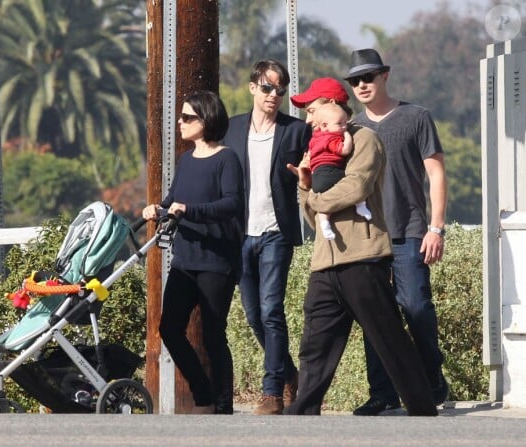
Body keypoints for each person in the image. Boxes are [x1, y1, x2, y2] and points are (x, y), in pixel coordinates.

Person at [283, 77, 437, 417]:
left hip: (363, 257)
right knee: (314, 347)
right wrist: (306, 187)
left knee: (389, 340)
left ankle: (423, 410)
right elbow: (311, 217)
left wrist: (316, 198)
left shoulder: (365, 139)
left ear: (332, 104)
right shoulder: (315, 147)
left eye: (311, 110)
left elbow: (356, 187)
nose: (308, 119)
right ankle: (301, 415)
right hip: (325, 262)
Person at [344, 48, 449, 416]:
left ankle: (432, 378)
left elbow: (436, 174)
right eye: (354, 80)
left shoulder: (416, 117)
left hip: (410, 231)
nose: (361, 85)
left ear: (384, 76)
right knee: (376, 315)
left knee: (416, 307)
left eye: (367, 77)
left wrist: (436, 229)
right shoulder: (352, 128)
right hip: (368, 237)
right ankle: (383, 391)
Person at [142, 90, 244, 415]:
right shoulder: (186, 160)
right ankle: (204, 393)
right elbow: (174, 199)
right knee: (169, 328)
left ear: (206, 120)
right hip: (185, 259)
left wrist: (191, 211)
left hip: (216, 261)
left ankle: (223, 405)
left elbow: (232, 203)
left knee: (214, 334)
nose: (181, 123)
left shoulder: (227, 158)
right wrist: (157, 209)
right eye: (181, 117)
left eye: (188, 117)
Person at [221, 59, 311, 415]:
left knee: (272, 310)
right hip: (241, 233)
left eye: (280, 90)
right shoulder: (231, 130)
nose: (274, 95)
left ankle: (271, 391)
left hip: (277, 232)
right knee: (253, 315)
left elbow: (321, 155)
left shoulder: (295, 130)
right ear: (252, 88)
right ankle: (289, 373)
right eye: (268, 88)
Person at [308, 102, 372, 240]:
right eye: (340, 123)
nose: (344, 126)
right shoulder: (330, 138)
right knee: (350, 182)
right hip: (330, 170)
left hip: (317, 175)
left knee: (325, 203)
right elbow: (344, 150)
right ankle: (360, 204)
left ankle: (324, 222)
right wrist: (348, 137)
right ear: (324, 126)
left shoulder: (315, 138)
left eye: (345, 122)